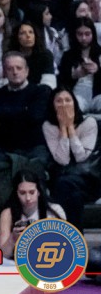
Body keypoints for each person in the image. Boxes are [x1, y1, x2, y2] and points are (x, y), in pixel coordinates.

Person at [0, 53, 54, 170]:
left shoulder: (41, 92)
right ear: (4, 72)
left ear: (27, 71)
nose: (15, 72)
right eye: (10, 68)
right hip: (3, 149)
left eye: (19, 68)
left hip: (32, 148)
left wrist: (4, 113)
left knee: (39, 165)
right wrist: (24, 110)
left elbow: (35, 116)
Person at [43, 89, 100, 223]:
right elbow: (63, 160)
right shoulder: (48, 126)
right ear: (52, 105)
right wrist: (63, 129)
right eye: (59, 101)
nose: (64, 104)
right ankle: (75, 234)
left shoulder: (89, 122)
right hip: (64, 178)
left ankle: (66, 233)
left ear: (74, 103)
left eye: (68, 100)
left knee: (63, 186)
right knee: (73, 196)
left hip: (88, 178)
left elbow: (81, 156)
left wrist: (70, 128)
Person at [0, 170, 65, 254]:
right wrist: (13, 238)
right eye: (22, 193)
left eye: (32, 192)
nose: (28, 198)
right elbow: (3, 254)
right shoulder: (8, 214)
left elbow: (63, 247)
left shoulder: (54, 211)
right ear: (16, 193)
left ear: (39, 192)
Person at [59, 19, 101, 113]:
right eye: (80, 34)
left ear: (93, 34)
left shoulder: (99, 53)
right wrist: (74, 75)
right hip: (77, 95)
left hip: (97, 96)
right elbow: (61, 82)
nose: (84, 38)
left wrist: (98, 70)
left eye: (87, 34)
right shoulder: (68, 56)